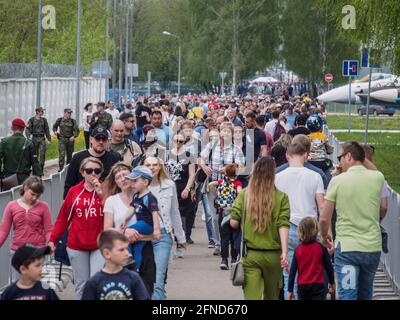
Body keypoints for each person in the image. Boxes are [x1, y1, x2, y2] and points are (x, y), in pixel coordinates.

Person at [319, 141, 385, 300]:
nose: (339, 161)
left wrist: (324, 236)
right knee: (365, 293)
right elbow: (374, 170)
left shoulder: (337, 181)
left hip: (348, 248)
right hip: (372, 247)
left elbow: (324, 218)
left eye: (340, 156)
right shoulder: (377, 178)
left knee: (348, 294)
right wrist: (359, 154)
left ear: (349, 156)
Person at [230, 156, 289, 300]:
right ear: (272, 174)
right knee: (272, 296)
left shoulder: (244, 195)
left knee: (251, 297)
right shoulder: (281, 197)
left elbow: (233, 223)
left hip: (251, 255)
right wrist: (285, 251)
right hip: (274, 255)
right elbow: (283, 224)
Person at [49, 157, 105, 299]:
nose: (93, 174)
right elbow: (63, 218)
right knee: (82, 284)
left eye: (97, 171)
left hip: (100, 244)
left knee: (96, 282)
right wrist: (53, 239)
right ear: (82, 172)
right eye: (89, 170)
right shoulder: (74, 191)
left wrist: (101, 194)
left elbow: (114, 213)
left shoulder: (106, 189)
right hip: (77, 244)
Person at [274, 142, 325, 299]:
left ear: (287, 156)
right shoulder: (315, 176)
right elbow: (322, 207)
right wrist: (326, 233)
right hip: (311, 228)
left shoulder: (277, 177)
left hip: (287, 228)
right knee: (314, 273)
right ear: (305, 155)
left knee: (289, 273)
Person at [102, 162, 156, 296]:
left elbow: (156, 228)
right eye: (118, 177)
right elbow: (107, 229)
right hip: (121, 252)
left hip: (145, 249)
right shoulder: (111, 201)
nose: (122, 179)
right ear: (115, 182)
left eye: (125, 175)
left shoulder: (146, 196)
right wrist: (125, 232)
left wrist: (138, 237)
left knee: (146, 291)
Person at [144, 156, 187, 299]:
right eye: (148, 165)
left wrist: (180, 237)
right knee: (145, 279)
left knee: (158, 278)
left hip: (163, 235)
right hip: (142, 236)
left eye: (155, 165)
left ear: (160, 167)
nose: (152, 168)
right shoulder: (137, 186)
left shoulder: (169, 185)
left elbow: (174, 211)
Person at [0, 177, 52, 281]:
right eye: (32, 194)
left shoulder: (44, 207)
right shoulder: (11, 206)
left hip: (37, 251)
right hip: (17, 251)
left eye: (37, 196)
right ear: (25, 188)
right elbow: (3, 230)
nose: (34, 198)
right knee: (20, 285)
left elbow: (49, 230)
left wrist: (51, 242)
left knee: (37, 285)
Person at [81, 230, 150, 300]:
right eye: (121, 250)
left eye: (126, 248)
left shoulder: (134, 278)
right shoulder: (94, 283)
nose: (127, 253)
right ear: (107, 254)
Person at [119, 166, 161, 271]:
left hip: (146, 224)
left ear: (146, 182)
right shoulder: (136, 195)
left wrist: (156, 229)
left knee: (126, 234)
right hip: (141, 223)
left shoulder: (149, 197)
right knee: (138, 246)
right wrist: (124, 218)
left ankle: (127, 256)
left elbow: (155, 213)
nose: (132, 184)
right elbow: (132, 208)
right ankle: (135, 268)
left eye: (135, 181)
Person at [63, 126, 122, 198]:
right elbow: (69, 183)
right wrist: (65, 201)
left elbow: (119, 183)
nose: (101, 142)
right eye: (97, 139)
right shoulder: (78, 158)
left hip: (106, 201)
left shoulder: (114, 159)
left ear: (107, 141)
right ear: (91, 139)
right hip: (81, 200)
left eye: (104, 139)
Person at [288, 217, 335, 300]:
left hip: (302, 286)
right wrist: (331, 282)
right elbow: (329, 267)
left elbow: (292, 272)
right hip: (318, 284)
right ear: (316, 231)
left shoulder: (298, 250)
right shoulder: (321, 248)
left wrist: (290, 290)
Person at [165, 132, 197, 244]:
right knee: (172, 211)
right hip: (170, 186)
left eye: (181, 141)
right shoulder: (166, 155)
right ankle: (175, 234)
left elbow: (192, 174)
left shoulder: (189, 155)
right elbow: (164, 172)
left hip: (184, 185)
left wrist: (187, 189)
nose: (178, 143)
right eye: (176, 141)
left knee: (189, 211)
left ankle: (187, 235)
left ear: (184, 142)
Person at [209, 164, 242, 270]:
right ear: (236, 174)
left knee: (224, 238)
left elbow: (210, 185)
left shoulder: (220, 183)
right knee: (234, 238)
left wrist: (216, 196)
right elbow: (240, 194)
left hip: (222, 213)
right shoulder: (237, 183)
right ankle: (233, 259)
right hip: (234, 214)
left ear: (226, 173)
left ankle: (224, 260)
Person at [0, 118, 42, 185]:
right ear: (23, 129)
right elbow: (35, 163)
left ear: (12, 128)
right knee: (22, 195)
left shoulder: (4, 142)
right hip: (23, 178)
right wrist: (38, 179)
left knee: (8, 194)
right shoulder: (29, 143)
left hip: (7, 178)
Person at [26, 107, 52, 172]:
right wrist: (29, 136)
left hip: (42, 138)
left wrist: (49, 139)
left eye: (43, 111)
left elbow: (47, 130)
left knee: (42, 154)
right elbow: (27, 129)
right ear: (37, 112)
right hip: (34, 138)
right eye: (41, 111)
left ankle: (41, 169)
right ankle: (35, 169)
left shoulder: (44, 120)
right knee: (35, 154)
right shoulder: (31, 120)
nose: (42, 113)